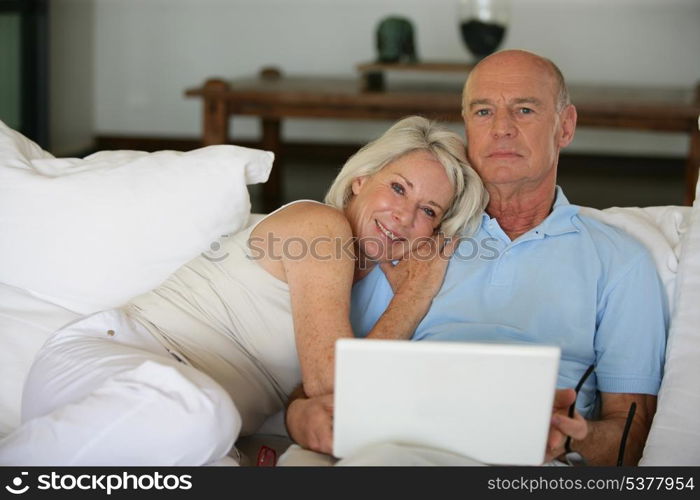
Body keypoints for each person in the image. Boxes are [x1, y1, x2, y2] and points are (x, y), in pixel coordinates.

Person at [0, 116, 487, 465]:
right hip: (118, 362)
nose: (405, 215)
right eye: (398, 188)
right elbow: (336, 387)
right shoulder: (321, 226)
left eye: (428, 210)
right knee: (198, 412)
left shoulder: (368, 289)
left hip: (182, 425)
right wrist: (414, 297)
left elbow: (314, 399)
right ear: (360, 182)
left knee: (211, 435)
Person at [282, 50, 667, 466]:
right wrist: (296, 414)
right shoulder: (411, 239)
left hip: (531, 463)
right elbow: (330, 374)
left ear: (565, 127)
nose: (501, 128)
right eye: (484, 111)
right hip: (399, 449)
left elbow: (631, 429)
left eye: (524, 109)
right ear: (467, 126)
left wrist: (573, 439)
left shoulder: (620, 260)